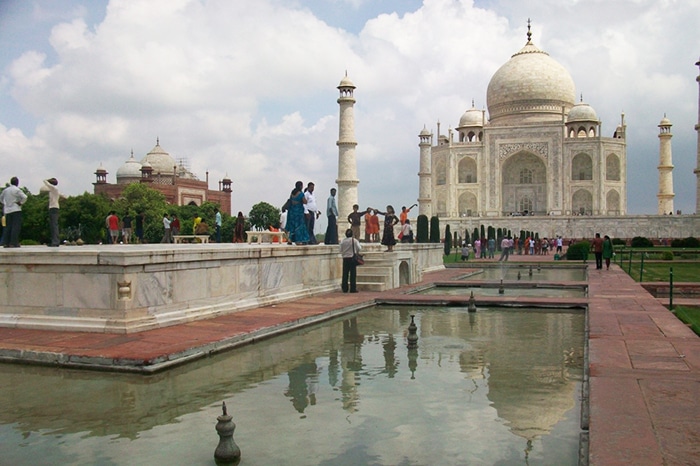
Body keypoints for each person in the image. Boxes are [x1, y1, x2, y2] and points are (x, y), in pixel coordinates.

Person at [0, 177, 27, 248]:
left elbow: (1, 198)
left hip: (7, 210)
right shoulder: (17, 190)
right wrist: (20, 203)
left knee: (7, 226)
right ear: (17, 183)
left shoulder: (5, 190)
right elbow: (25, 197)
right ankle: (13, 242)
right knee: (15, 226)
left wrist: (5, 204)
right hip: (16, 209)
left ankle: (6, 243)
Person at [339, 228, 361, 293]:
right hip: (352, 258)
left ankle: (344, 288)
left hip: (345, 258)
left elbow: (340, 250)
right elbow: (359, 248)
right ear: (352, 234)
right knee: (353, 274)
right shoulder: (354, 241)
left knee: (345, 274)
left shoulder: (342, 241)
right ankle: (352, 288)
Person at [43, 178, 63, 247]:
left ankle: (55, 241)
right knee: (53, 225)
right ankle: (54, 240)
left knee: (54, 225)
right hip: (53, 207)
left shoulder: (54, 189)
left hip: (53, 208)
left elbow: (44, 181)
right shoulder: (53, 190)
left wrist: (48, 180)